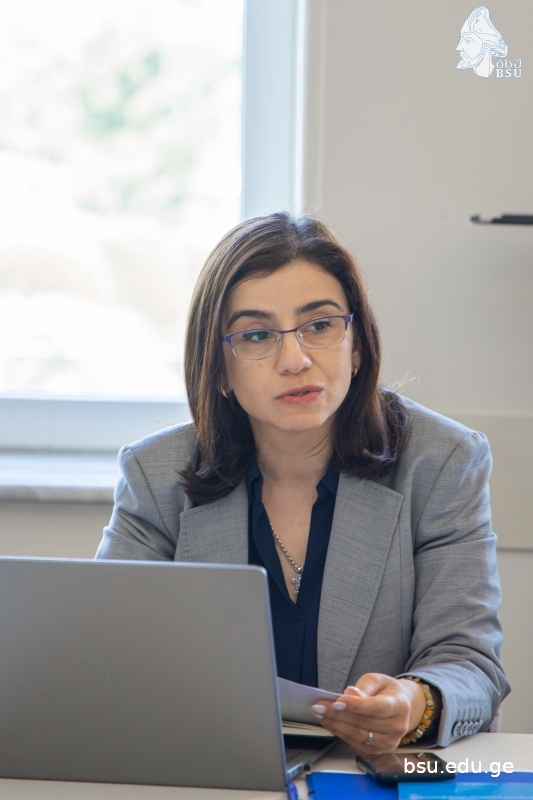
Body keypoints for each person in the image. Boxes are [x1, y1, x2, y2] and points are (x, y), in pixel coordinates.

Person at [97, 212, 510, 753]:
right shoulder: (156, 475)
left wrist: (415, 702)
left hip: (368, 771)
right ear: (218, 369)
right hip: (215, 769)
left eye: (319, 326)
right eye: (257, 335)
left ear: (356, 345)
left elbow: (470, 663)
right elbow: (105, 655)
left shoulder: (441, 462)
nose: (295, 361)